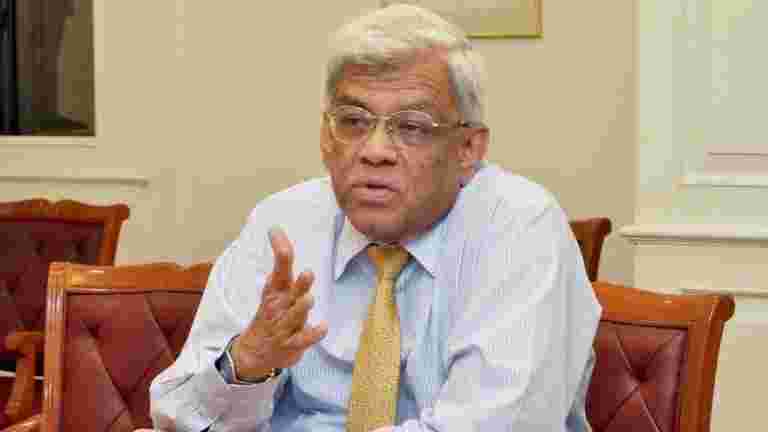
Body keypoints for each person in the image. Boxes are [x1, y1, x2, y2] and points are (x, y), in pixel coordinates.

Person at [150, 4, 601, 432]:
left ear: (468, 149)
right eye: (353, 121)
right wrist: (247, 362)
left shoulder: (520, 226)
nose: (375, 151)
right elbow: (177, 416)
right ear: (325, 137)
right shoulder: (285, 223)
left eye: (412, 127)